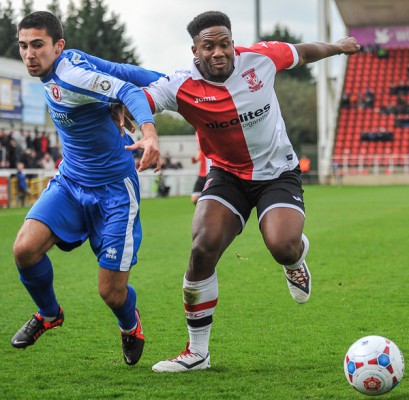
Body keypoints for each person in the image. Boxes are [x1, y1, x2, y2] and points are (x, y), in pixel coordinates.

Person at [133, 11, 361, 372]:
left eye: (225, 43)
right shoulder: (180, 85)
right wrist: (146, 131)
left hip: (278, 174)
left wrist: (336, 47)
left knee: (282, 246)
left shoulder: (261, 58)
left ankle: (296, 258)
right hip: (228, 176)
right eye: (209, 46)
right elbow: (140, 100)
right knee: (202, 248)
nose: (220, 52)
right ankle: (198, 353)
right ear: (196, 50)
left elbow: (304, 50)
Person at [11, 11, 163, 366]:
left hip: (113, 191)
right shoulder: (66, 61)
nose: (30, 54)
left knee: (110, 292)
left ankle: (130, 326)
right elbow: (121, 70)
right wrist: (169, 78)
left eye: (37, 45)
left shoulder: (72, 74)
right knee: (24, 250)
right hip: (71, 182)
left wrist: (149, 131)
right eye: (23, 46)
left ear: (57, 46)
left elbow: (126, 87)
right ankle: (49, 314)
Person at [191, 133, 211, 205]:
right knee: (195, 198)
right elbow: (197, 158)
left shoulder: (213, 147)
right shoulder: (201, 149)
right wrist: (194, 160)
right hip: (202, 175)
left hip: (212, 175)